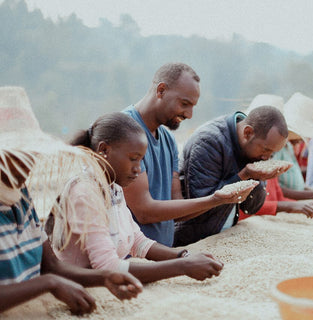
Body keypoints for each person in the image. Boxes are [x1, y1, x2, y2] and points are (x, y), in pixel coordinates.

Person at [0, 87, 142, 315]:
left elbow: (52, 267)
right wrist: (50, 284)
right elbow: (50, 278)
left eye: (30, 154)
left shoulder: (22, 197)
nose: (26, 164)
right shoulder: (84, 188)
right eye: (13, 155)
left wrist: (105, 277)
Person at [49, 112, 224, 284]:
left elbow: (138, 242)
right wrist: (183, 267)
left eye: (141, 160)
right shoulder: (85, 192)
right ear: (104, 150)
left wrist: (183, 255)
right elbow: (107, 268)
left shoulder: (113, 186)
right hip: (82, 288)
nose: (138, 169)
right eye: (133, 159)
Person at [123, 63, 255, 247]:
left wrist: (222, 198)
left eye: (193, 106)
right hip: (132, 262)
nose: (189, 114)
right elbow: (144, 212)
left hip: (163, 259)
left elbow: (178, 209)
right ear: (161, 90)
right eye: (184, 104)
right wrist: (214, 199)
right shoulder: (124, 131)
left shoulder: (168, 139)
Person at [175, 106, 292, 246]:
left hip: (224, 234)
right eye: (265, 150)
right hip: (193, 240)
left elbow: (251, 208)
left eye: (271, 154)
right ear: (248, 133)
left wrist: (258, 178)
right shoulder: (209, 142)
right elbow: (202, 203)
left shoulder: (253, 149)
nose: (266, 157)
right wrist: (244, 175)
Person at [249, 93, 313, 201]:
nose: (302, 139)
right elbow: (273, 191)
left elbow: (296, 185)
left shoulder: (289, 148)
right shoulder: (275, 151)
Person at [238, 177, 313, 221]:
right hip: (248, 221)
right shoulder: (247, 167)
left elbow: (280, 197)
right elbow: (250, 207)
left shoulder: (270, 161)